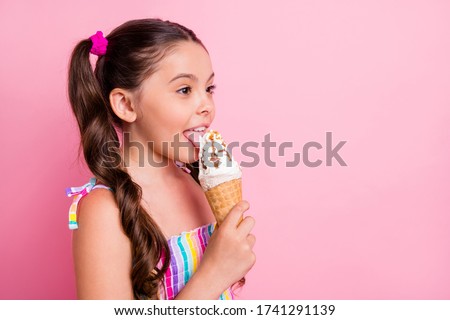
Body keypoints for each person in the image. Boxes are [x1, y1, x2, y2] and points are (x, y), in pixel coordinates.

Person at [66, 18, 256, 300]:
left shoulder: (196, 180)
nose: (206, 106)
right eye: (184, 90)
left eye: (209, 89)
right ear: (127, 104)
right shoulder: (105, 210)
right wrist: (215, 273)